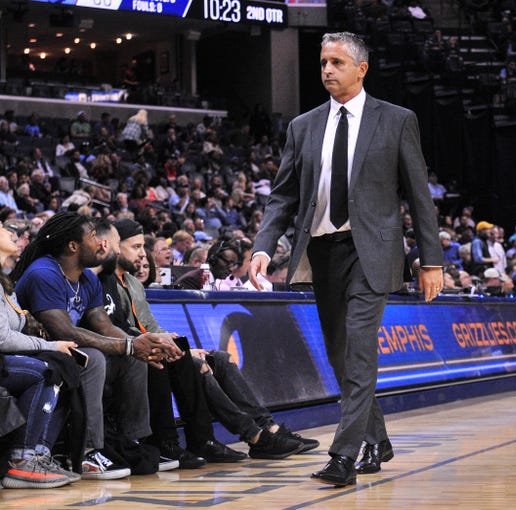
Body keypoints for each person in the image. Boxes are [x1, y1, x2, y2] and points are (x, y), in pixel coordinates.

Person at [249, 32, 443, 487]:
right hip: (321, 252)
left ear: (362, 69)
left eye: (336, 62)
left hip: (371, 252)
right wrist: (262, 246)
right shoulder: (303, 125)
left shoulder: (397, 120)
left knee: (357, 350)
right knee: (341, 357)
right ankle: (377, 438)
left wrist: (430, 260)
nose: (327, 70)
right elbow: (283, 197)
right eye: (322, 63)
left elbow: (420, 196)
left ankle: (343, 456)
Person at [103, 219, 315, 460]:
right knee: (196, 365)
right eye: (135, 246)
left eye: (143, 247)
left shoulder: (132, 283)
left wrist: (188, 348)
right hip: (140, 351)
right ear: (116, 246)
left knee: (221, 360)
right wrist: (180, 350)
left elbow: (152, 326)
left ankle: (269, 428)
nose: (143, 254)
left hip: (157, 344)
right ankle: (250, 436)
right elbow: (127, 330)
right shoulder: (107, 283)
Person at [11, 212, 183, 480]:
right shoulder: (43, 273)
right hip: (38, 352)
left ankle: (128, 443)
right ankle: (89, 451)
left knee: (133, 360)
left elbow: (103, 326)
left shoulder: (88, 279)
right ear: (73, 246)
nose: (103, 244)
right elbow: (64, 331)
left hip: (68, 352)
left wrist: (136, 344)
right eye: (94, 237)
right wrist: (128, 346)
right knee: (94, 358)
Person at [0, 224, 81, 488]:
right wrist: (49, 345)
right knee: (45, 371)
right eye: (3, 228)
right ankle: (21, 459)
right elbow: (2, 338)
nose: (13, 234)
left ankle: (39, 453)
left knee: (67, 370)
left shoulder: (5, 280)